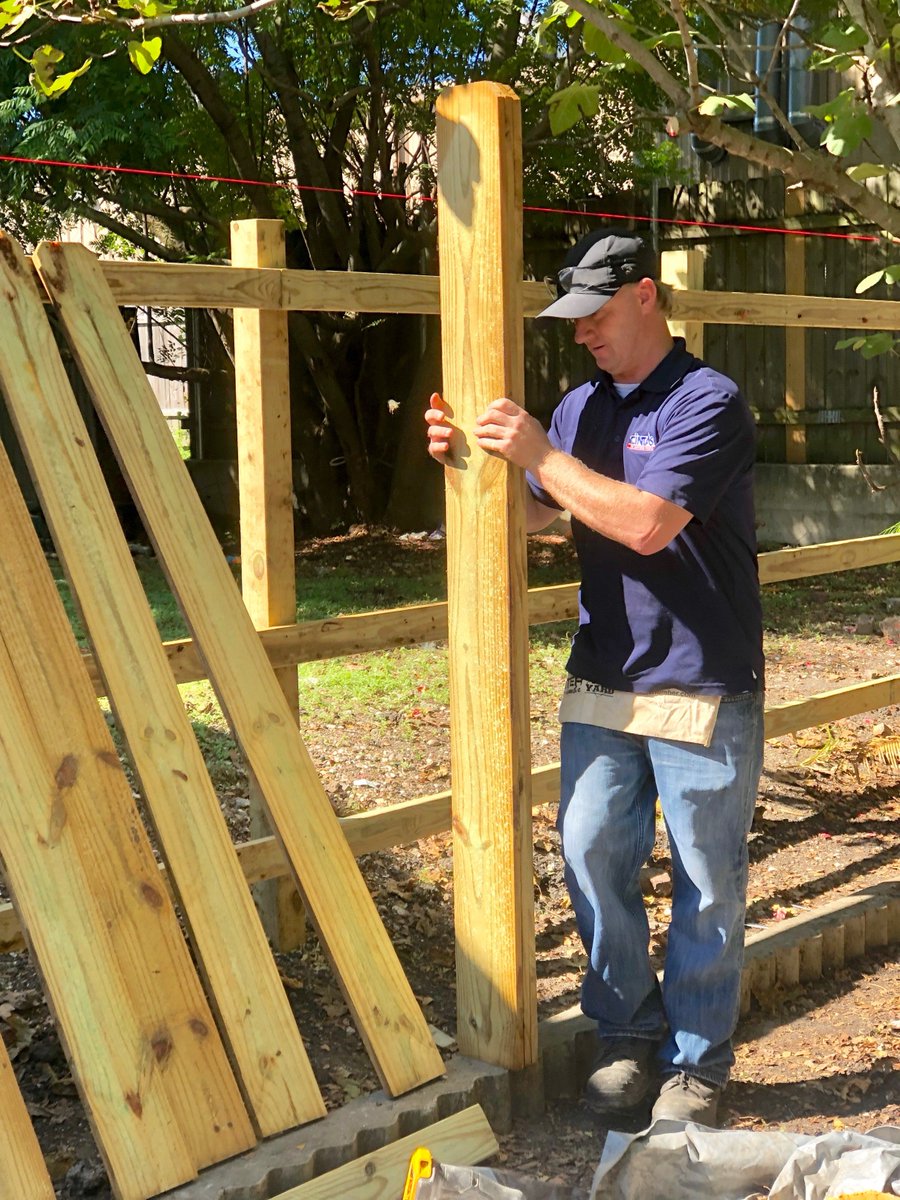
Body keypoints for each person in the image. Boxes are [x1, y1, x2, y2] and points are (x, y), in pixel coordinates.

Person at [425, 229, 764, 1127]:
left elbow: (650, 523)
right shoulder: (580, 409)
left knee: (706, 876)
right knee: (589, 851)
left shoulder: (709, 401)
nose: (581, 335)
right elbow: (545, 514)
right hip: (607, 670)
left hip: (701, 679)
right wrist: (472, 464)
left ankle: (696, 1066)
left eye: (597, 315)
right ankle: (625, 1033)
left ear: (647, 296)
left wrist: (540, 455)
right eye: (572, 320)